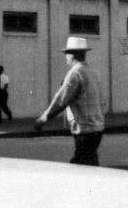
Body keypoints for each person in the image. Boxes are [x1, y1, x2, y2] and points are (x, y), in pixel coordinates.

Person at [34, 36, 105, 165]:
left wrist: (43, 119)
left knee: (80, 165)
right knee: (90, 162)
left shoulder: (75, 73)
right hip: (97, 127)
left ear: (72, 55)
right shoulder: (93, 72)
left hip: (84, 129)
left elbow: (61, 101)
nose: (66, 57)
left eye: (67, 53)